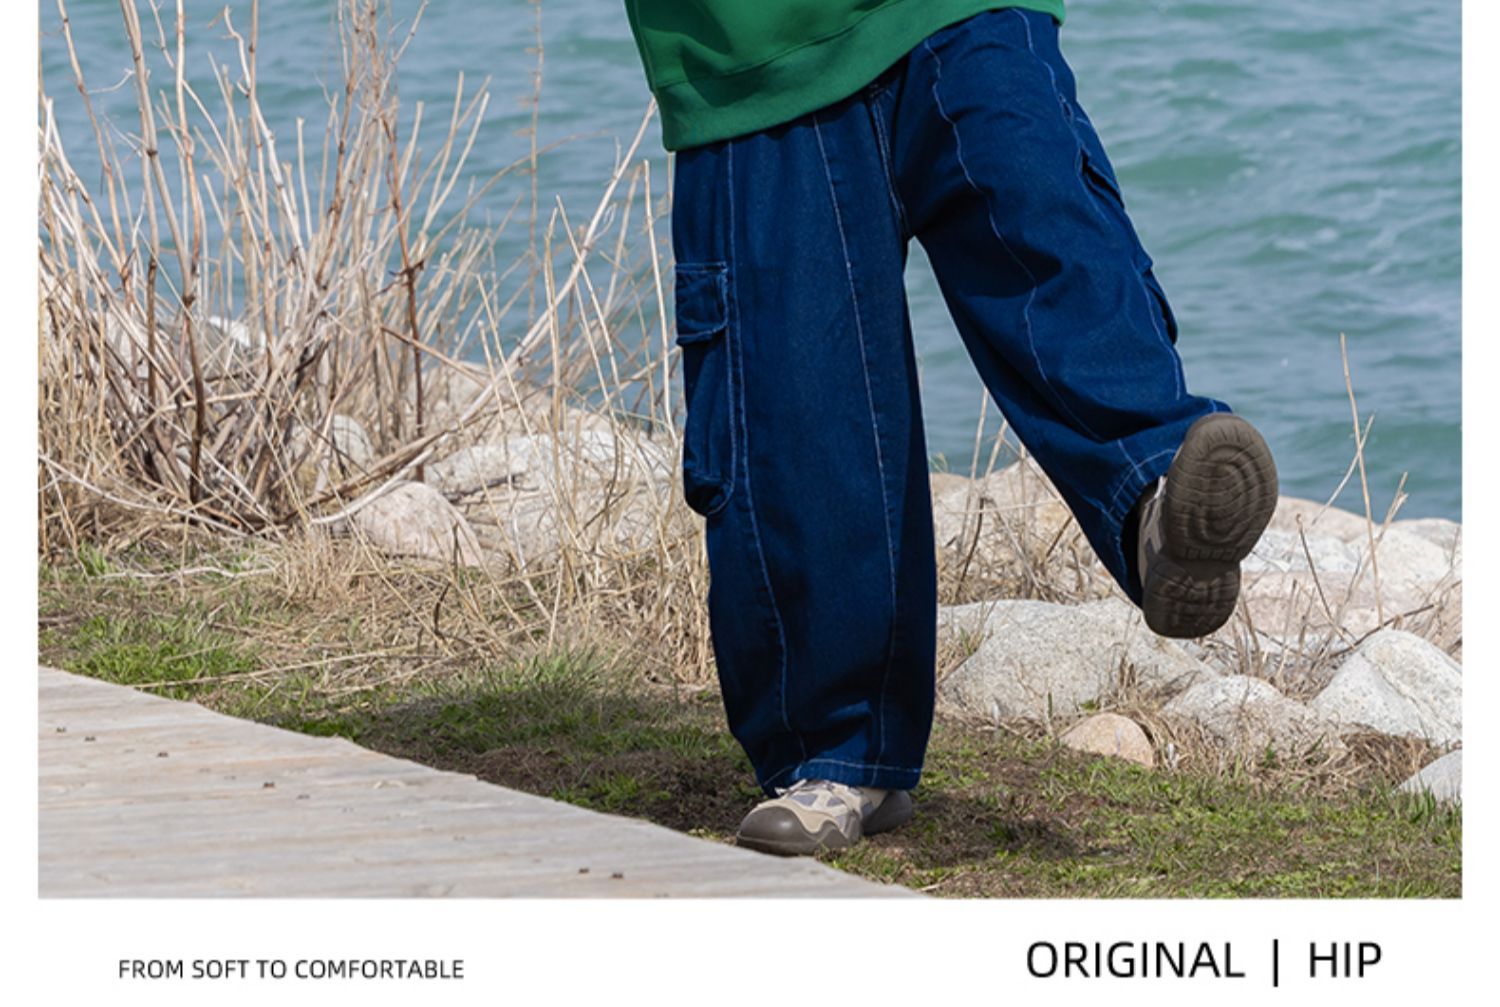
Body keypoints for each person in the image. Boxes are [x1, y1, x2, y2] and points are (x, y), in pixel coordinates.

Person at [622, 0, 1279, 856]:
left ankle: (1155, 500)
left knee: (1044, 219)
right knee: (802, 410)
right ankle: (841, 754)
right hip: (754, 47)